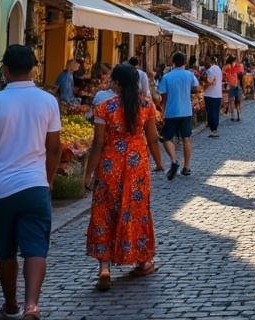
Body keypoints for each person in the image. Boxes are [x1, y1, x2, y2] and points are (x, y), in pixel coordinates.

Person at [0, 45, 61, 320]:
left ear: (4, 70)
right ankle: (32, 305)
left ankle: (11, 305)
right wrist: (48, 179)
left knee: (5, 251)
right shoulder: (47, 101)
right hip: (35, 185)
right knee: (36, 248)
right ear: (33, 69)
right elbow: (54, 148)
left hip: (0, 189)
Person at [84, 63, 162, 289]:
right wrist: (159, 163)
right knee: (136, 210)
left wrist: (88, 174)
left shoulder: (104, 108)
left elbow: (98, 143)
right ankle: (143, 260)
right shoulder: (146, 106)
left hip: (111, 164)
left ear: (116, 84)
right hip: (137, 165)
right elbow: (153, 138)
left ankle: (104, 268)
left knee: (104, 211)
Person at [157, 51, 199, 180]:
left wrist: (162, 108)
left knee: (166, 138)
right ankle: (186, 167)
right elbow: (196, 88)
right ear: (184, 63)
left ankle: (174, 160)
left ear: (173, 63)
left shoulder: (167, 77)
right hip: (186, 111)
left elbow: (162, 96)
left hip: (172, 111)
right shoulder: (189, 75)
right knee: (186, 138)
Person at [203, 56, 223, 139]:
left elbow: (210, 82)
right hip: (218, 94)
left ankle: (213, 130)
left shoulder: (211, 70)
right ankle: (215, 129)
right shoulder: (218, 69)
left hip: (210, 94)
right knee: (216, 112)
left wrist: (203, 87)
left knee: (211, 112)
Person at [223, 55, 243, 122]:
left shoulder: (227, 68)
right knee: (236, 101)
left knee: (232, 101)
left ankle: (233, 116)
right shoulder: (235, 67)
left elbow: (224, 74)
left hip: (232, 86)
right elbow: (240, 71)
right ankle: (238, 116)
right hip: (235, 85)